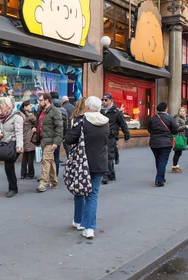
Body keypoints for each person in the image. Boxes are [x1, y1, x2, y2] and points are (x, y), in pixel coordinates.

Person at [65, 96, 109, 240]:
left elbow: (70, 139)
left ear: (88, 107)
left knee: (79, 190)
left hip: (82, 163)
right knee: (92, 195)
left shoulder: (82, 120)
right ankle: (88, 227)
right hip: (100, 162)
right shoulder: (105, 121)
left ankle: (80, 222)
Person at [36, 93, 63, 192]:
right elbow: (39, 123)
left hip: (50, 141)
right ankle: (54, 181)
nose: (39, 102)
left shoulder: (55, 111)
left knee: (45, 160)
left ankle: (43, 183)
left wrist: (56, 142)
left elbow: (59, 128)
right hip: (43, 139)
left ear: (47, 100)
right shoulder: (41, 111)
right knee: (50, 160)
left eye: (41, 100)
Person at [100, 94, 130, 184]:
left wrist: (126, 135)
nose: (104, 102)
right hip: (101, 136)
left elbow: (123, 124)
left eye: (106, 100)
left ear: (110, 101)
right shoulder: (100, 110)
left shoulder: (116, 111)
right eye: (102, 100)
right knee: (106, 155)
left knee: (108, 155)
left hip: (111, 136)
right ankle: (112, 174)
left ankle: (106, 175)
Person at [0, 97, 24, 198]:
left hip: (13, 144)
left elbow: (19, 132)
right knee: (8, 166)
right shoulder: (3, 117)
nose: (1, 105)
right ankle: (12, 187)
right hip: (6, 143)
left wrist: (19, 146)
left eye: (3, 104)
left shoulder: (17, 117)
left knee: (9, 165)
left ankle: (13, 188)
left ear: (8, 106)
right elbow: (1, 129)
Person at [148, 102, 178, 187]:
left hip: (154, 142)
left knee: (158, 160)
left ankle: (161, 177)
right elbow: (174, 130)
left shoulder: (153, 118)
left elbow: (149, 129)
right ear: (166, 108)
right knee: (163, 160)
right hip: (166, 142)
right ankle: (159, 179)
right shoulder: (170, 118)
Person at [51, 91, 69, 175]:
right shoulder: (63, 109)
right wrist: (65, 135)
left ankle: (48, 175)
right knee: (56, 156)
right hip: (59, 135)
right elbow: (66, 124)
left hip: (48, 135)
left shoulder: (48, 108)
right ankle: (56, 174)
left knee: (47, 157)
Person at [19, 100, 38, 180]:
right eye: (29, 105)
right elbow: (37, 122)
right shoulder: (30, 115)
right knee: (30, 158)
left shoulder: (20, 114)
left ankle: (23, 174)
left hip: (23, 138)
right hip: (30, 138)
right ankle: (30, 174)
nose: (31, 106)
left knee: (25, 158)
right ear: (25, 107)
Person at [171, 107, 188, 173]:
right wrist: (185, 126)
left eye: (183, 111)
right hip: (178, 137)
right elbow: (177, 128)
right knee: (177, 152)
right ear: (178, 112)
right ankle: (174, 166)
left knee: (179, 152)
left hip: (181, 136)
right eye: (180, 111)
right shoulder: (177, 118)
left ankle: (175, 166)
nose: (182, 112)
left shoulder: (182, 118)